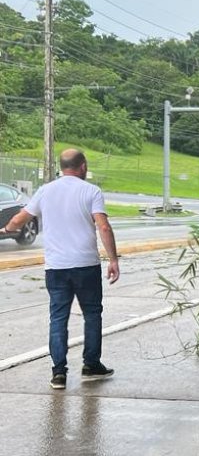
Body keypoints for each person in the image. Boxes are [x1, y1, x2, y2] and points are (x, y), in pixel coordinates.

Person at [0, 149, 120, 390]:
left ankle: (58, 374)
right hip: (86, 265)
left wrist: (5, 230)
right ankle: (91, 365)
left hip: (56, 268)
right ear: (83, 166)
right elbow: (104, 227)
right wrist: (113, 260)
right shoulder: (91, 191)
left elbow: (19, 219)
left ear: (62, 167)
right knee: (92, 315)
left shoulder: (45, 191)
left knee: (58, 318)